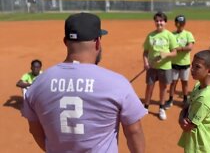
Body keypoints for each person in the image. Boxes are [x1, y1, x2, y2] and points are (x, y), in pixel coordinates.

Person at [22, 13, 146, 152]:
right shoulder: (117, 83)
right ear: (98, 42)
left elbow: (34, 129)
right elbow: (134, 131)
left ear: (65, 42)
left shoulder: (38, 83)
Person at [178, 50, 210, 153]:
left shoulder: (204, 99)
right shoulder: (198, 86)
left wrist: (181, 118)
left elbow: (188, 126)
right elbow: (188, 103)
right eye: (192, 66)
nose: (192, 70)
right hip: (194, 143)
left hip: (199, 147)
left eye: (197, 67)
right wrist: (182, 114)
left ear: (209, 71)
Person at [143, 11, 178, 120]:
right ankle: (146, 107)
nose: (159, 23)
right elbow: (145, 52)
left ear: (165, 22)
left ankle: (161, 108)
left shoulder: (169, 35)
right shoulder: (150, 35)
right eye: (157, 21)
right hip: (152, 67)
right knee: (149, 87)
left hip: (165, 67)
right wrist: (146, 63)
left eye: (161, 21)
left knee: (163, 88)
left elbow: (175, 52)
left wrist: (165, 54)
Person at [165, 15, 195, 109]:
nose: (180, 25)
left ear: (184, 24)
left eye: (182, 23)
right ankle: (170, 99)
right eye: (178, 23)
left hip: (185, 63)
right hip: (174, 63)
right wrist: (181, 49)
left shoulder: (188, 34)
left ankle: (185, 99)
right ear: (175, 23)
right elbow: (168, 47)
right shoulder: (171, 35)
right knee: (173, 82)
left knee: (184, 82)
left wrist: (178, 48)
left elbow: (190, 47)